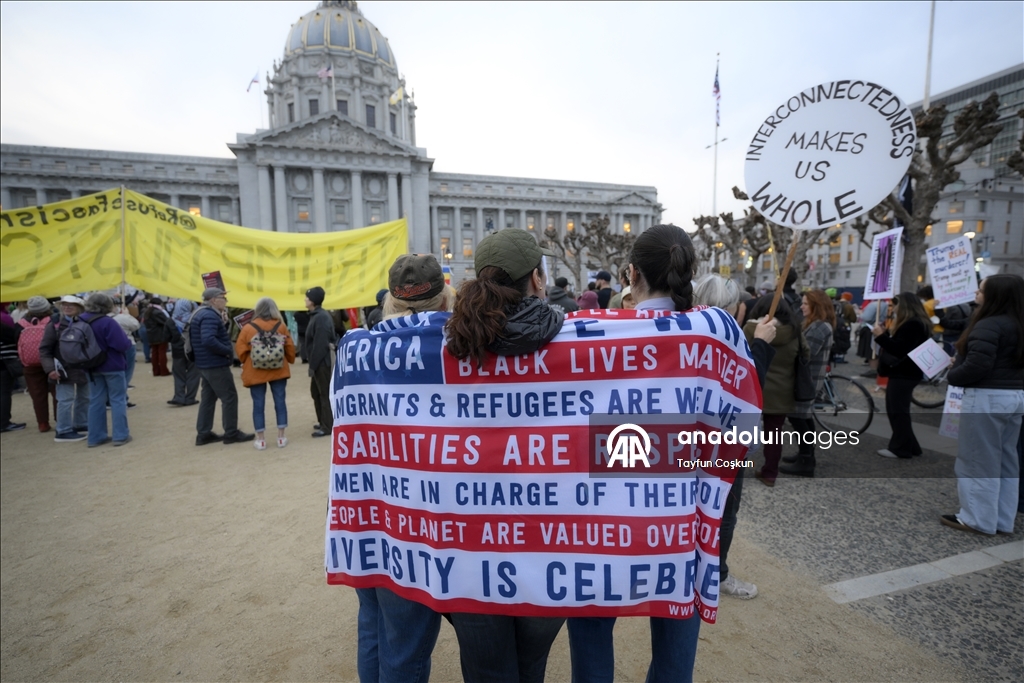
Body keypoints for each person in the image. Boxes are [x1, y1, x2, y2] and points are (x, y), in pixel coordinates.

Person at [445, 229, 565, 683]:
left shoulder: (442, 344)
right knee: (530, 666)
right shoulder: (579, 344)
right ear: (537, 278)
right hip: (549, 541)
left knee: (485, 670)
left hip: (469, 545)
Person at [353, 254, 453, 683]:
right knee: (405, 639)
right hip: (412, 512)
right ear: (446, 296)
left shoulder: (354, 347)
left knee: (373, 621)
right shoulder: (453, 350)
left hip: (362, 503)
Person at [692, 273, 778, 601]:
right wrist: (760, 344)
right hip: (723, 441)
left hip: (692, 438)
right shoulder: (728, 338)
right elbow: (745, 388)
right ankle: (718, 574)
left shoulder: (687, 331)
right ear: (732, 308)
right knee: (725, 510)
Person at [942, 274, 1024, 535]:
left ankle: (977, 518)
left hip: (986, 397)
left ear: (994, 296)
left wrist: (954, 374)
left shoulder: (988, 325)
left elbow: (978, 365)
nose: (976, 295)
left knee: (977, 459)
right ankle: (1001, 519)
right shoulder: (1018, 323)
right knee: (1006, 460)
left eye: (980, 291)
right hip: (1015, 396)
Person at [744, 295, 804, 487]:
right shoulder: (794, 332)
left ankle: (735, 468)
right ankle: (770, 472)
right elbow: (806, 354)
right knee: (774, 434)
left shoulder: (750, 329)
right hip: (781, 390)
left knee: (742, 432)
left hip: (753, 389)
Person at [780, 290, 835, 477]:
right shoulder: (815, 324)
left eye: (805, 303)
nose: (801, 306)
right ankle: (806, 454)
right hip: (808, 379)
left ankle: (806, 460)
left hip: (807, 380)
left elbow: (806, 353)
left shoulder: (820, 327)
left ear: (816, 306)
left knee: (798, 418)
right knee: (803, 418)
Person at [872, 292, 932, 458]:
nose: (894, 308)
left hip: (904, 372)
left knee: (897, 410)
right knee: (897, 409)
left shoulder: (912, 324)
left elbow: (899, 349)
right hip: (907, 372)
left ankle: (901, 448)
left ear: (904, 306)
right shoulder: (918, 323)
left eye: (896, 304)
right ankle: (911, 446)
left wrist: (881, 337)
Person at [191, 287, 254, 446]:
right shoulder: (210, 316)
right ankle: (231, 432)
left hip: (205, 363)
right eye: (223, 298)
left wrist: (223, 324)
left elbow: (208, 337)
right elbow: (208, 339)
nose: (225, 301)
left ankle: (203, 433)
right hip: (214, 363)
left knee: (208, 398)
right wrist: (227, 351)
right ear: (213, 300)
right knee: (229, 397)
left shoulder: (201, 313)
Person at [235, 297, 296, 450]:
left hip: (256, 371)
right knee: (280, 402)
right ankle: (281, 437)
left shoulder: (248, 328)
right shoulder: (280, 326)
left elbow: (240, 350)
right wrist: (289, 359)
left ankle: (261, 439)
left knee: (258, 404)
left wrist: (247, 360)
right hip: (278, 370)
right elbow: (290, 348)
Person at [80, 292, 133, 447]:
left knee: (95, 401)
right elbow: (122, 344)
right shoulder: (107, 322)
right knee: (117, 399)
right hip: (112, 364)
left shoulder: (79, 321)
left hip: (90, 365)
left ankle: (95, 437)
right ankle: (120, 435)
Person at [39, 295, 91, 442]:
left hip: (83, 367)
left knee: (84, 397)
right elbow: (44, 350)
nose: (67, 307)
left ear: (79, 308)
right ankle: (63, 430)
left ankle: (81, 424)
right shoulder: (54, 325)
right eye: (64, 304)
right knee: (65, 399)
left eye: (71, 305)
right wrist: (50, 369)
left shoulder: (86, 323)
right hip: (62, 369)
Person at [17, 296, 56, 432]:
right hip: (52, 361)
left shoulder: (21, 323)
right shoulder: (54, 320)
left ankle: (43, 423)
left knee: (37, 394)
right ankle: (61, 419)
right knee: (58, 392)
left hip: (30, 364)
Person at [304, 286, 335, 438]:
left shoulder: (321, 317)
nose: (305, 300)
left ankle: (327, 425)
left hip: (323, 363)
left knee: (324, 394)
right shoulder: (316, 315)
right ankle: (323, 420)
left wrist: (313, 366)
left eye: (308, 298)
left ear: (314, 301)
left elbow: (320, 344)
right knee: (316, 393)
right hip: (319, 362)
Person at [168, 299, 199, 406]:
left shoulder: (171, 321)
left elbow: (165, 337)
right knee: (193, 375)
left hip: (177, 352)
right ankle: (190, 398)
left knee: (178, 375)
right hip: (193, 351)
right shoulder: (195, 318)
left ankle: (179, 397)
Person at [1, 306, 26, 433]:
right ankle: (4, 423)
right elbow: (14, 337)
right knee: (4, 393)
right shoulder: (3, 324)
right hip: (4, 363)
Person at [143, 297, 172, 377]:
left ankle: (156, 371)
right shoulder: (157, 312)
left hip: (151, 335)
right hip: (160, 334)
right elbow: (166, 321)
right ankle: (164, 370)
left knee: (154, 353)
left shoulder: (147, 312)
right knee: (162, 353)